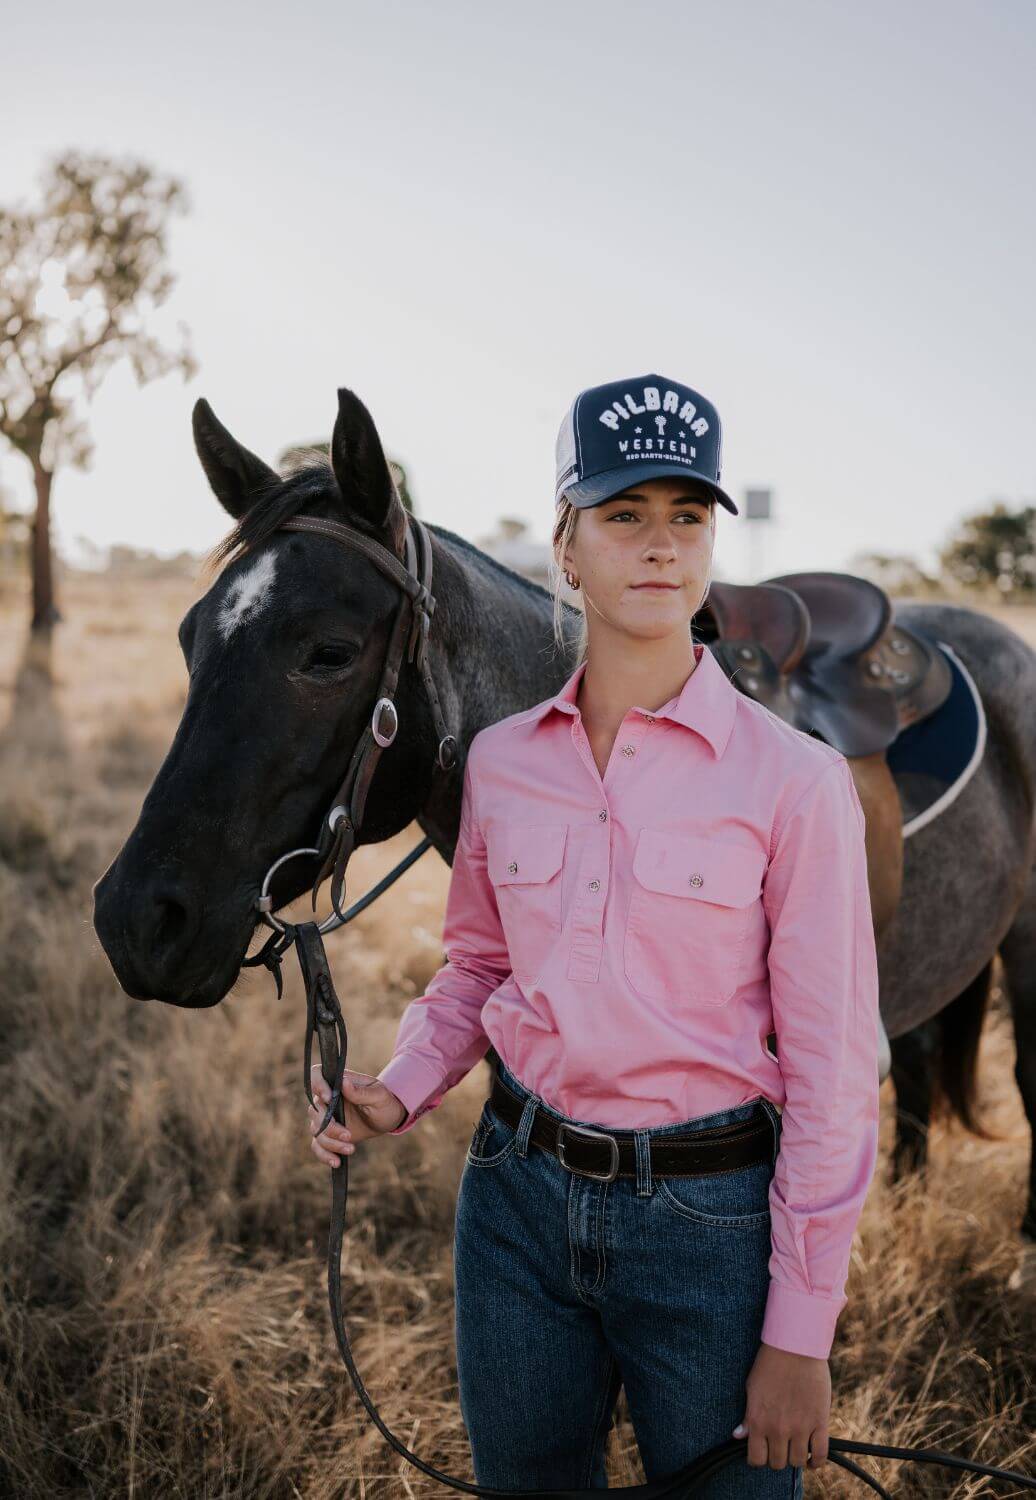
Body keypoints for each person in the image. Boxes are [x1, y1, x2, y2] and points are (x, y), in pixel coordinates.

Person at [307, 373, 881, 1497]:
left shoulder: (797, 782)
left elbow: (832, 1072)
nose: (660, 544)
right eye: (624, 514)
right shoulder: (504, 761)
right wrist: (401, 1086)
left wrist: (801, 1333)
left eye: (687, 516)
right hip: (514, 1201)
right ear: (566, 547)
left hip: (709, 1224)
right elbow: (480, 967)